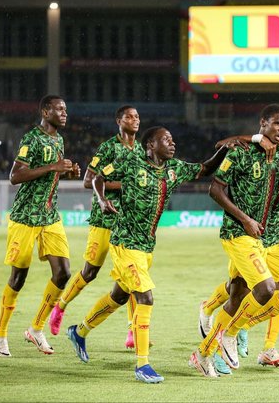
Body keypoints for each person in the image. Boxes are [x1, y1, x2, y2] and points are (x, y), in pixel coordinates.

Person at [66, 126, 233, 384]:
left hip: (145, 248)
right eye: (166, 139)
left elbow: (204, 168)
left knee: (119, 296)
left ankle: (79, 331)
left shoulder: (172, 169)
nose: (172, 142)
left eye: (172, 138)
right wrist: (101, 200)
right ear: (151, 145)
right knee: (145, 297)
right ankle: (142, 365)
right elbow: (98, 177)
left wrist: (225, 149)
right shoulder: (131, 162)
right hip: (125, 243)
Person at [197, 118, 279, 375]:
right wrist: (250, 138)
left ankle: (231, 333)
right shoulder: (252, 152)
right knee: (239, 292)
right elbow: (218, 176)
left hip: (275, 235)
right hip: (246, 234)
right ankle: (210, 339)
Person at [0, 95, 80, 357]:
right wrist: (53, 166)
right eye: (59, 109)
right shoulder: (31, 138)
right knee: (18, 277)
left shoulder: (58, 139)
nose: (64, 113)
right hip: (25, 217)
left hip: (50, 215)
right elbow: (15, 176)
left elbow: (47, 175)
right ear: (45, 111)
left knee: (63, 272)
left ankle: (36, 329)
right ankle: (0, 335)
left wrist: (65, 173)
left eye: (66, 108)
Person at [49, 105, 142, 351]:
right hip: (104, 218)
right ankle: (61, 306)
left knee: (132, 274)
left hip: (127, 221)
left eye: (137, 116)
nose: (135, 120)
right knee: (90, 272)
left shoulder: (141, 149)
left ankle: (133, 330)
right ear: (118, 121)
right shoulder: (108, 148)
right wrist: (123, 186)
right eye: (129, 116)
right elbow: (88, 181)